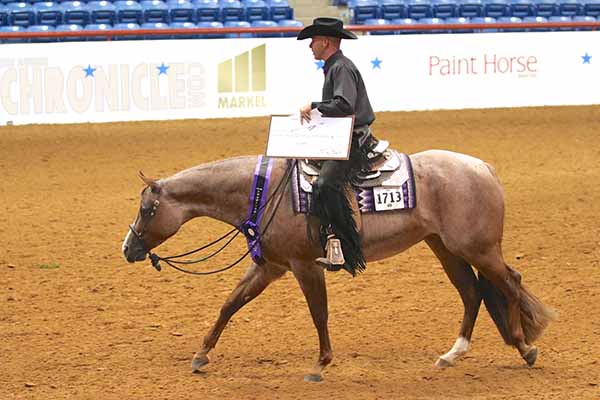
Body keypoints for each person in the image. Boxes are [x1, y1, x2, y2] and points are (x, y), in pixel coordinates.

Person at [297, 17, 380, 276]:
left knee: (325, 184)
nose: (310, 45)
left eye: (313, 40)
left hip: (353, 141)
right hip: (341, 137)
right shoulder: (335, 66)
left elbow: (344, 105)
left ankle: (344, 246)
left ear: (325, 41)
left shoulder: (340, 68)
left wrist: (315, 105)